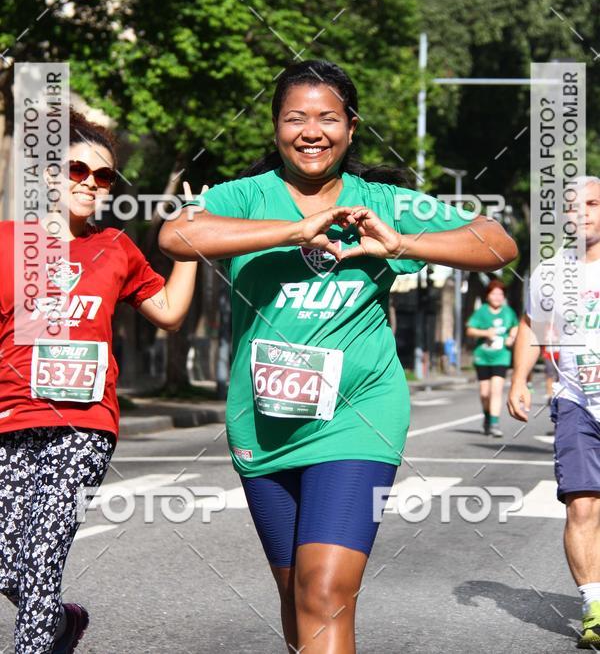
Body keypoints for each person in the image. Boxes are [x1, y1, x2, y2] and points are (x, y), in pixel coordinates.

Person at [160, 59, 517, 653]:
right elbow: (177, 236)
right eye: (294, 117)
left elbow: (497, 242)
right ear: (275, 128)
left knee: (324, 592)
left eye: (328, 117)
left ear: (351, 128)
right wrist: (294, 231)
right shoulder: (244, 196)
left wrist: (402, 243)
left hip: (359, 417)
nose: (311, 131)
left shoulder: (382, 201)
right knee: (296, 596)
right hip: (264, 422)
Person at [0, 109, 198, 654]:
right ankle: (62, 622)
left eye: (103, 176)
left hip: (83, 423)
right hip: (9, 418)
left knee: (42, 559)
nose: (90, 182)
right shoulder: (6, 243)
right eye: (76, 169)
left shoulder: (116, 247)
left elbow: (169, 311)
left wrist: (191, 238)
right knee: (6, 560)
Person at [508, 176, 600, 649]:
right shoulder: (549, 273)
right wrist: (519, 378)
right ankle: (594, 607)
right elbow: (531, 326)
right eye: (572, 206)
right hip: (576, 402)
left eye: (592, 204)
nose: (581, 212)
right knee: (582, 505)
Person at [466, 280, 519, 437]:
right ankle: (487, 418)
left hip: (501, 357)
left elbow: (515, 326)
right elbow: (470, 330)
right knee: (484, 393)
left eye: (500, 294)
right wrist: (485, 333)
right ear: (488, 296)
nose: (497, 297)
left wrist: (511, 337)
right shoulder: (481, 311)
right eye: (494, 293)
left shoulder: (508, 312)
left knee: (496, 390)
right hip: (482, 357)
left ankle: (495, 424)